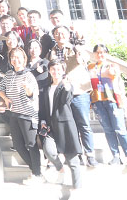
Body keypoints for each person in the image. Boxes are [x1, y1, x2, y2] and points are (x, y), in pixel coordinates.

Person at [47, 26, 98, 167]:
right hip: (62, 93)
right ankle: (78, 154)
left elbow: (85, 58)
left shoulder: (76, 48)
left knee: (84, 124)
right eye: (56, 33)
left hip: (78, 92)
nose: (60, 35)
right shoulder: (51, 52)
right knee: (72, 125)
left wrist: (79, 51)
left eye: (62, 33)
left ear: (69, 35)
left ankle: (90, 154)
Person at [0, 47, 42, 184]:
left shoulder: (29, 76)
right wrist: (5, 98)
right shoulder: (9, 74)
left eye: (18, 57)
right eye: (12, 57)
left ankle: (37, 174)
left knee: (31, 144)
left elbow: (32, 95)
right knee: (17, 145)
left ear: (24, 59)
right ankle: (36, 171)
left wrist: (28, 90)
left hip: (28, 115)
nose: (15, 60)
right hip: (14, 114)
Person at [39, 59, 83, 189]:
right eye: (53, 69)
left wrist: (67, 87)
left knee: (72, 160)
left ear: (63, 71)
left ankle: (77, 187)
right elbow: (43, 107)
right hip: (50, 126)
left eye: (58, 69)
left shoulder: (66, 86)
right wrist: (43, 121)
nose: (55, 72)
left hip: (65, 126)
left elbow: (65, 100)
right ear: (49, 71)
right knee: (48, 150)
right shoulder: (46, 88)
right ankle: (60, 169)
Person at [88, 44, 127, 167]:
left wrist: (102, 72)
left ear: (106, 54)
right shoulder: (90, 67)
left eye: (102, 52)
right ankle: (116, 156)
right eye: (97, 52)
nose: (100, 54)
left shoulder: (112, 66)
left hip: (112, 100)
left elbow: (112, 75)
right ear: (94, 54)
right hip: (98, 101)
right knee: (108, 129)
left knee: (120, 128)